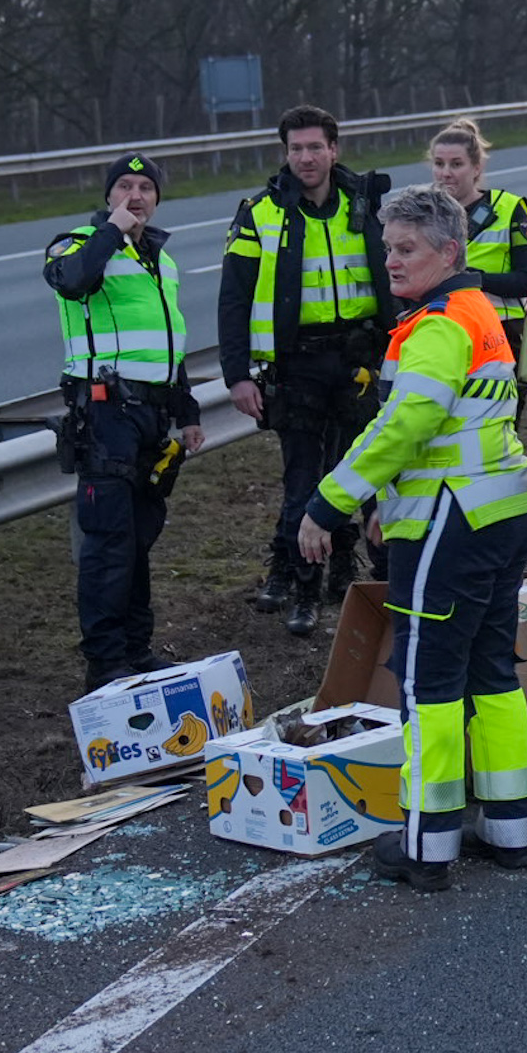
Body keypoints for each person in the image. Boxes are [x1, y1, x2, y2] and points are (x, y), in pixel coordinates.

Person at [298, 184, 527, 892]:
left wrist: (329, 503)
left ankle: (426, 847)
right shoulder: (478, 311)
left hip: (451, 521)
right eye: (388, 247)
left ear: (449, 251)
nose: (391, 261)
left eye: (406, 248)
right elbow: (456, 428)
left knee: (428, 682)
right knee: (491, 673)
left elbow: (406, 424)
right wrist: (389, 501)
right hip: (499, 511)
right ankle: (509, 830)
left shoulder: (436, 326)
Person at [218, 105, 394, 637]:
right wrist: (237, 374)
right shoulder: (260, 213)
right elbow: (234, 298)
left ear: (334, 150)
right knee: (303, 482)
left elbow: (396, 273)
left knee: (362, 474)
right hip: (296, 366)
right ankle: (304, 591)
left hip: (359, 361)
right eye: (296, 149)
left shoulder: (365, 204)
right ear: (286, 154)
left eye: (316, 147)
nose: (306, 157)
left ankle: (359, 577)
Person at [45, 153, 205, 691]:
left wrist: (187, 411)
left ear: (157, 198)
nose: (135, 196)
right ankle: (105, 662)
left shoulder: (158, 259)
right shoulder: (75, 245)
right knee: (109, 543)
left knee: (138, 541)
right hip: (105, 414)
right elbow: (72, 281)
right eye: (124, 187)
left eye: (145, 188)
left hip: (150, 417)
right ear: (108, 195)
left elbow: (167, 343)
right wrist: (111, 231)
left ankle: (136, 651)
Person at [427, 120, 527, 359]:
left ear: (476, 168)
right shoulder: (422, 213)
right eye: (439, 163)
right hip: (442, 330)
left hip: (499, 332)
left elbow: (526, 280)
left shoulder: (509, 209)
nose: (446, 173)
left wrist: (472, 279)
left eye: (456, 164)